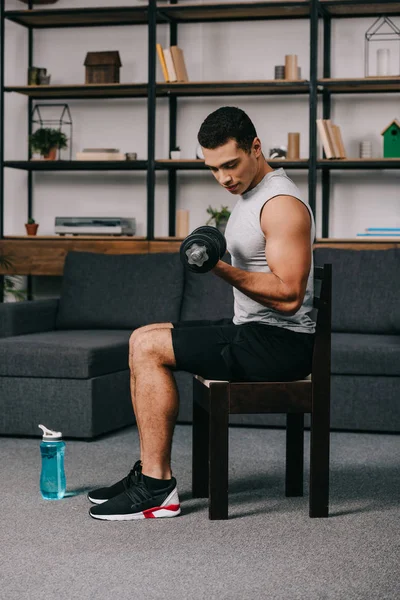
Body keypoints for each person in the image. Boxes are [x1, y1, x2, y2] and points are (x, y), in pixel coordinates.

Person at [88, 106, 316, 521]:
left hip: (281, 345)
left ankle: (157, 489)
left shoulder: (281, 204)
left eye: (231, 164)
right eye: (214, 169)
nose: (224, 177)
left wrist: (218, 267)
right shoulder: (249, 194)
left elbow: (288, 296)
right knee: (143, 336)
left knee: (149, 348)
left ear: (256, 148)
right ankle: (147, 474)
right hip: (252, 331)